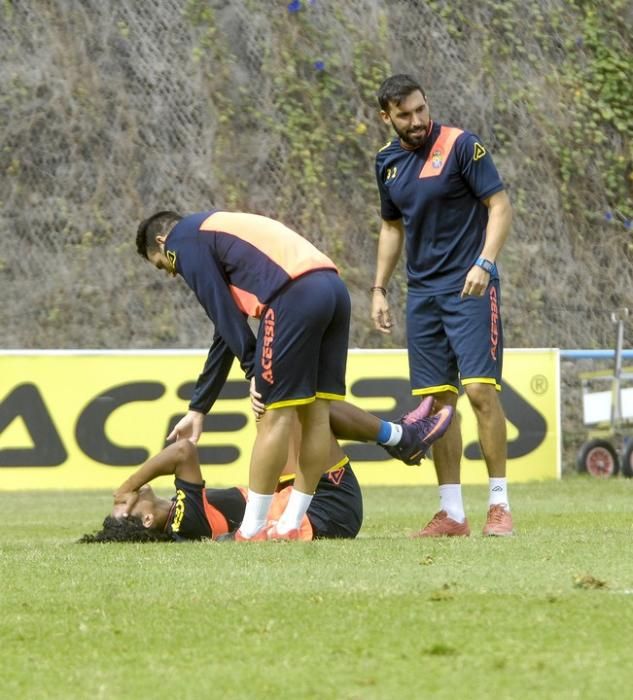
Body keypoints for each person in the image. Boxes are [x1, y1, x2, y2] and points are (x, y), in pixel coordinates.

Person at [135, 209, 453, 541]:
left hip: (292, 297)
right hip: (332, 289)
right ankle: (290, 523)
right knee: (316, 411)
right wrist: (199, 407)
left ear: (162, 241)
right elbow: (225, 327)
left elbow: (222, 313)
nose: (171, 271)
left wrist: (252, 368)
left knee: (274, 415)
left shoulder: (182, 241)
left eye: (162, 264)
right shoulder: (213, 231)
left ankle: (252, 529)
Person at [370, 74, 514, 537]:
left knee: (479, 393)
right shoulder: (387, 162)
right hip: (422, 295)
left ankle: (499, 505)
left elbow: (500, 205)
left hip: (469, 287)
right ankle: (452, 513)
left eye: (419, 109)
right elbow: (392, 228)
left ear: (426, 103)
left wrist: (485, 263)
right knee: (436, 405)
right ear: (386, 117)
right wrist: (379, 288)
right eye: (404, 115)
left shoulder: (461, 146)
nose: (415, 121)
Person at [79, 399, 453, 543]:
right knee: (304, 405)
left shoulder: (182, 518)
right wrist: (125, 485)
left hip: (303, 501)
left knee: (279, 407)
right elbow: (182, 450)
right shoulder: (182, 521)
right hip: (326, 510)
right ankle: (399, 436)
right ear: (145, 522)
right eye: (126, 508)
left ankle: (399, 436)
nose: (130, 498)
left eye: (122, 501)